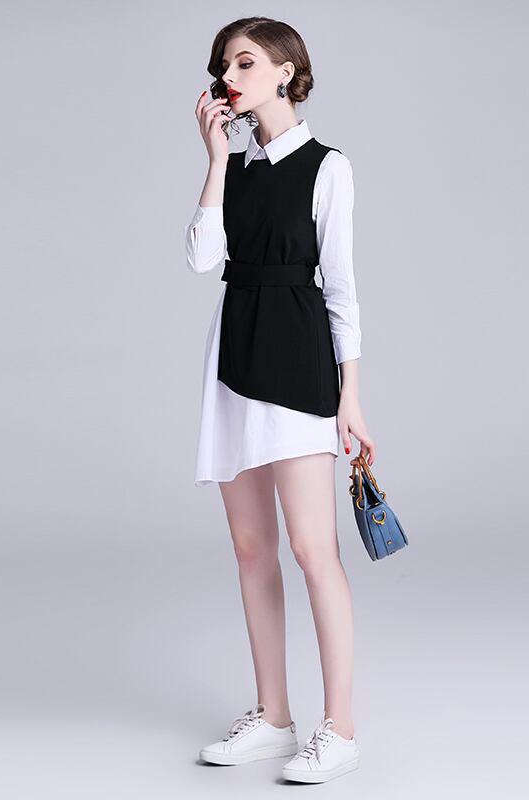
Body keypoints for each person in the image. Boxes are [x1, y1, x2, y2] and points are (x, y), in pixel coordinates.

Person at [183, 17, 375, 784]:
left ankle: (341, 729)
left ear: (286, 71)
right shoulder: (236, 166)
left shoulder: (328, 167)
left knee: (312, 550)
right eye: (223, 65)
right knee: (251, 549)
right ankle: (273, 717)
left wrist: (350, 396)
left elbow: (343, 291)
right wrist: (214, 160)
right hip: (235, 358)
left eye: (244, 62)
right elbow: (202, 257)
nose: (228, 76)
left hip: (297, 360)